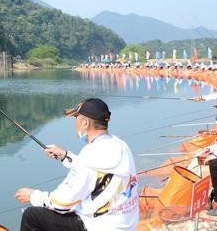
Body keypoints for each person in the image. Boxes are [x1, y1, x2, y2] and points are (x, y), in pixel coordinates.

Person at [14, 98, 139, 231]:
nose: (75, 124)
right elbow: (94, 170)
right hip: (126, 225)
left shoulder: (89, 155)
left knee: (31, 216)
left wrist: (33, 195)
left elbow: (63, 202)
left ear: (85, 123)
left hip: (99, 226)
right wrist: (65, 156)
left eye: (76, 119)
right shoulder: (120, 145)